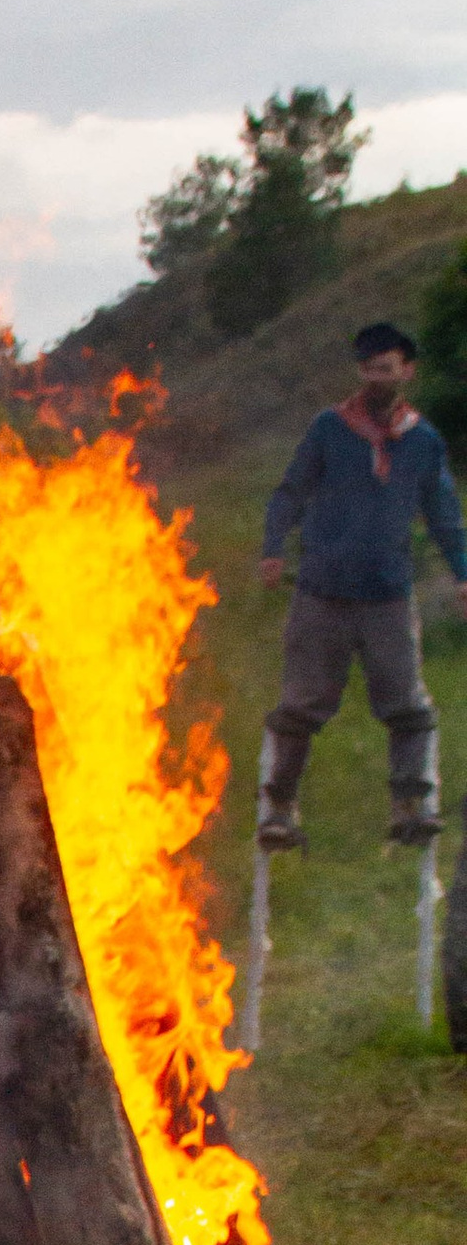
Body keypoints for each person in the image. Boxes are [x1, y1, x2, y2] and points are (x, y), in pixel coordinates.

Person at [256, 322, 467, 850]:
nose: (378, 379)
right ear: (360, 372)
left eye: (387, 369)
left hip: (388, 597)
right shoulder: (330, 430)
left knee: (408, 707)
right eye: (369, 369)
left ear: (407, 372)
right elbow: (291, 490)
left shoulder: (422, 441)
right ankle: (280, 811)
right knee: (301, 706)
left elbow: (443, 514)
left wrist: (464, 574)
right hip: (322, 592)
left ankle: (410, 806)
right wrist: (273, 547)